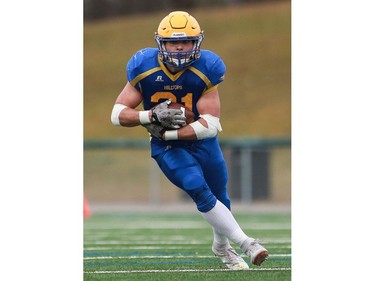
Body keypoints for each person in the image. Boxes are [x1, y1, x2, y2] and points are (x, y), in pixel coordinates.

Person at [110, 11, 269, 270]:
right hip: (167, 147)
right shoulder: (143, 66)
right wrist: (150, 114)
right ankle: (247, 244)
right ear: (161, 43)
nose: (181, 47)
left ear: (198, 42)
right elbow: (117, 114)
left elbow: (210, 125)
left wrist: (167, 130)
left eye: (187, 41)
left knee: (221, 196)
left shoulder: (208, 67)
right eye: (174, 42)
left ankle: (221, 246)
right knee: (197, 187)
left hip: (199, 141)